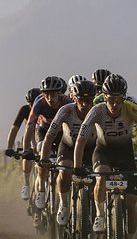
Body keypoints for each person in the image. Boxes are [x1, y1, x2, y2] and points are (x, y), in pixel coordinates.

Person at [73, 73, 137, 239]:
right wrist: (78, 166)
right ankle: (100, 217)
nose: (114, 104)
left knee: (130, 204)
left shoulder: (131, 109)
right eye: (110, 99)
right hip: (103, 153)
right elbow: (80, 140)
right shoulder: (96, 111)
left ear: (124, 98)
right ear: (104, 98)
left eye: (118, 99)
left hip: (125, 155)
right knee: (101, 178)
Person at [40, 78, 97, 226]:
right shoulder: (65, 111)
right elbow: (49, 137)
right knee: (65, 173)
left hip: (91, 148)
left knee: (97, 181)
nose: (85, 104)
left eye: (88, 100)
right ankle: (64, 205)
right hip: (68, 147)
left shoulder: (99, 110)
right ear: (74, 98)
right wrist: (44, 159)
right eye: (81, 100)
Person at [24, 76, 71, 210]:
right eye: (47, 94)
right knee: (43, 156)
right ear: (43, 94)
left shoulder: (67, 102)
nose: (50, 97)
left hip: (61, 133)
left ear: (59, 93)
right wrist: (27, 148)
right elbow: (30, 126)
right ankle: (41, 190)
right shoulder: (39, 102)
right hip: (44, 132)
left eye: (53, 94)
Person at [5, 87, 42, 200]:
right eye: (30, 103)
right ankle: (26, 183)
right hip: (29, 137)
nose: (33, 106)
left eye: (35, 102)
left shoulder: (44, 107)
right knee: (27, 154)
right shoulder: (25, 110)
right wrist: (9, 147)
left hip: (42, 136)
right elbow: (14, 128)